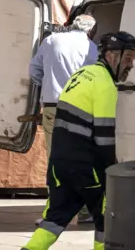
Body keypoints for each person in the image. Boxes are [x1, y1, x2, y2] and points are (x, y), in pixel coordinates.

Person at [24, 31, 135, 250]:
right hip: (85, 166)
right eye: (128, 58)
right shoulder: (105, 85)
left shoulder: (82, 74)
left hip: (59, 163)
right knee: (107, 219)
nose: (132, 65)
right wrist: (114, 175)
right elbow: (104, 138)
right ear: (112, 56)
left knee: (54, 219)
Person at [29, 14, 99, 225]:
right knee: (82, 157)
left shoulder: (51, 41)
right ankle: (86, 211)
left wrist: (48, 85)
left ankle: (55, 213)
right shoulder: (92, 48)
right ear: (92, 30)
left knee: (55, 160)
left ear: (70, 25)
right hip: (81, 109)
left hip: (53, 107)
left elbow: (34, 70)